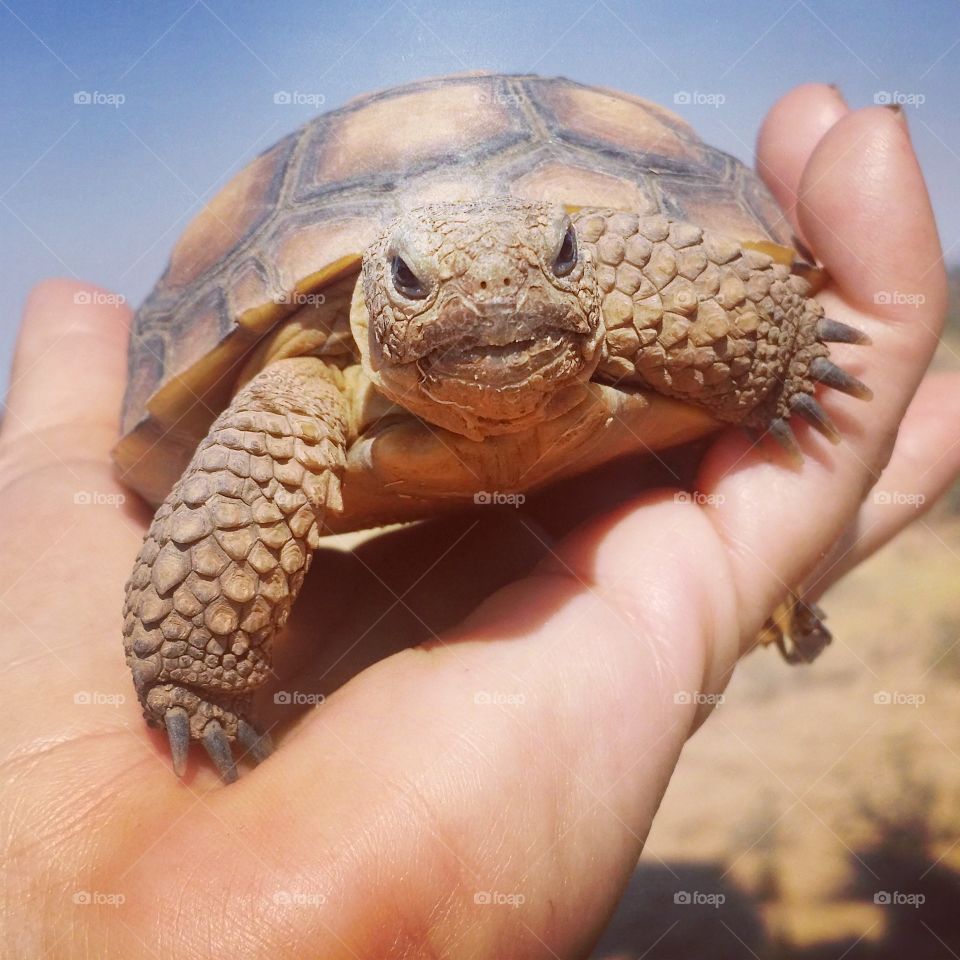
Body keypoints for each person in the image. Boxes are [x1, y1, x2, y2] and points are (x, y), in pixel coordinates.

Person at [1, 84, 957, 958]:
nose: (493, 297)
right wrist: (190, 664)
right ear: (379, 296)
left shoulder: (608, 271)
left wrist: (778, 351)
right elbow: (246, 468)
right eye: (419, 283)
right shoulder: (302, 386)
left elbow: (703, 285)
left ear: (572, 261)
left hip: (611, 358)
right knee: (278, 437)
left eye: (548, 262)